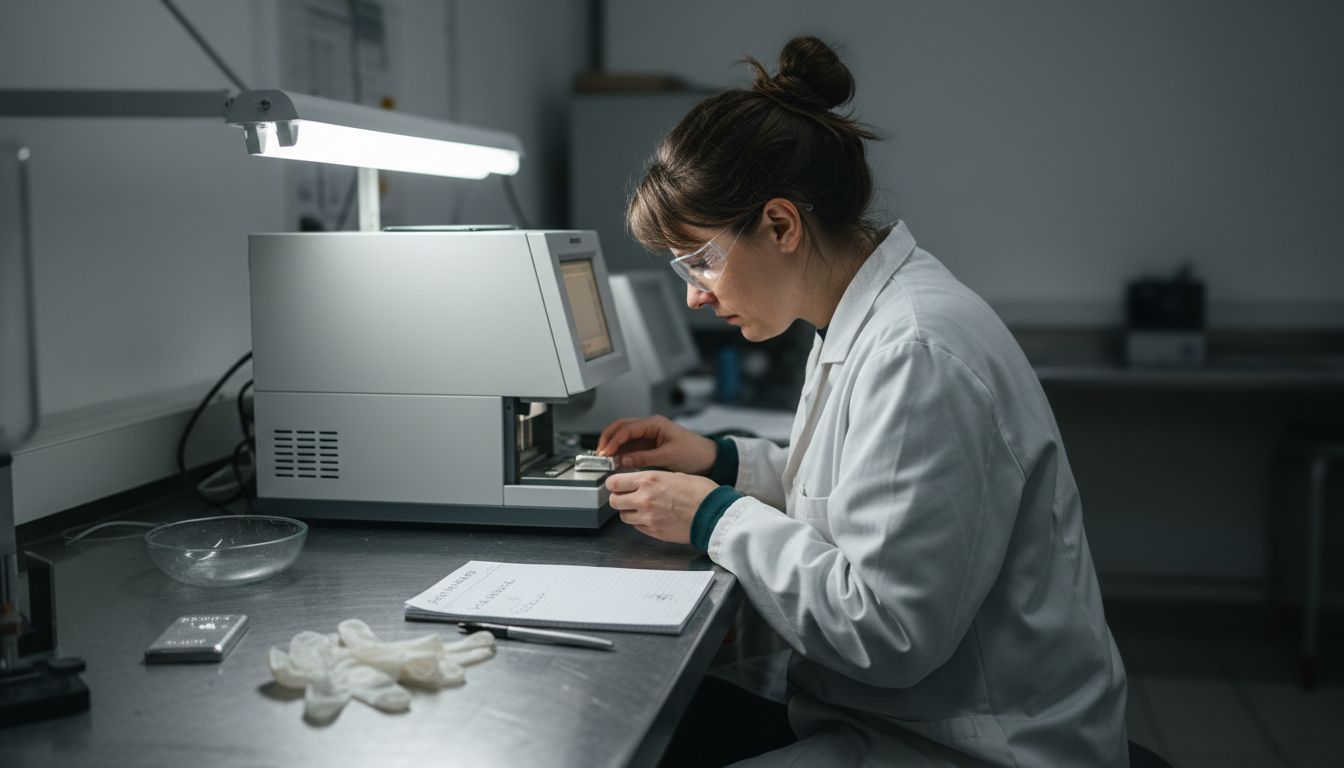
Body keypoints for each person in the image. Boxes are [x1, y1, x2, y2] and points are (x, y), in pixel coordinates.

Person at [596, 35, 1129, 767]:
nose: (694, 292)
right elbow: (862, 501)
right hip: (902, 717)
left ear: (780, 225)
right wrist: (722, 463)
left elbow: (885, 630)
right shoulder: (864, 315)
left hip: (973, 745)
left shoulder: (916, 349)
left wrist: (711, 515)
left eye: (700, 259)